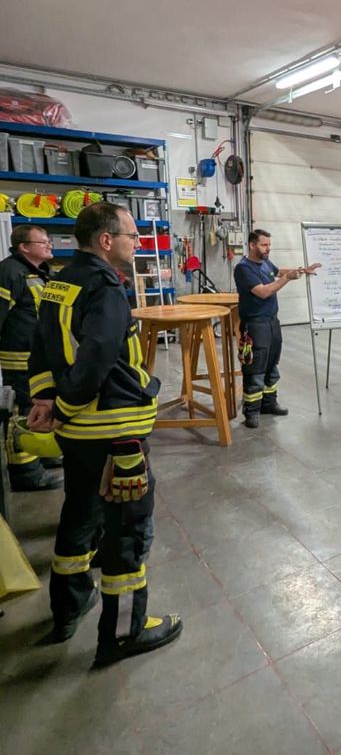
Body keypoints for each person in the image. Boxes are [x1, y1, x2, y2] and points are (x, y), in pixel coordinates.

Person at [27, 202, 182, 666]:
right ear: (107, 240)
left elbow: (43, 347)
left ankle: (68, 608)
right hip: (115, 431)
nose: (139, 244)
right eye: (133, 236)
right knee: (126, 533)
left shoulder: (59, 283)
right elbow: (95, 359)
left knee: (79, 514)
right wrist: (70, 405)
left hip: (77, 435)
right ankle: (123, 633)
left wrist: (46, 400)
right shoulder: (107, 289)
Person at [234, 229, 318, 428]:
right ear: (252, 245)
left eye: (269, 245)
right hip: (255, 325)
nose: (268, 248)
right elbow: (263, 292)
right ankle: (251, 411)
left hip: (272, 322)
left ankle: (268, 404)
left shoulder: (265, 263)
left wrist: (302, 270)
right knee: (255, 368)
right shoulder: (244, 269)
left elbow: (278, 271)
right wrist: (287, 278)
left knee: (272, 365)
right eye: (264, 245)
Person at [0, 224, 61, 490]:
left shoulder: (43, 272)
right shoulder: (9, 272)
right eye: (43, 242)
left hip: (41, 358)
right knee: (21, 413)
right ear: (24, 247)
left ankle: (40, 455)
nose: (49, 245)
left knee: (40, 408)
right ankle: (25, 472)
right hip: (18, 358)